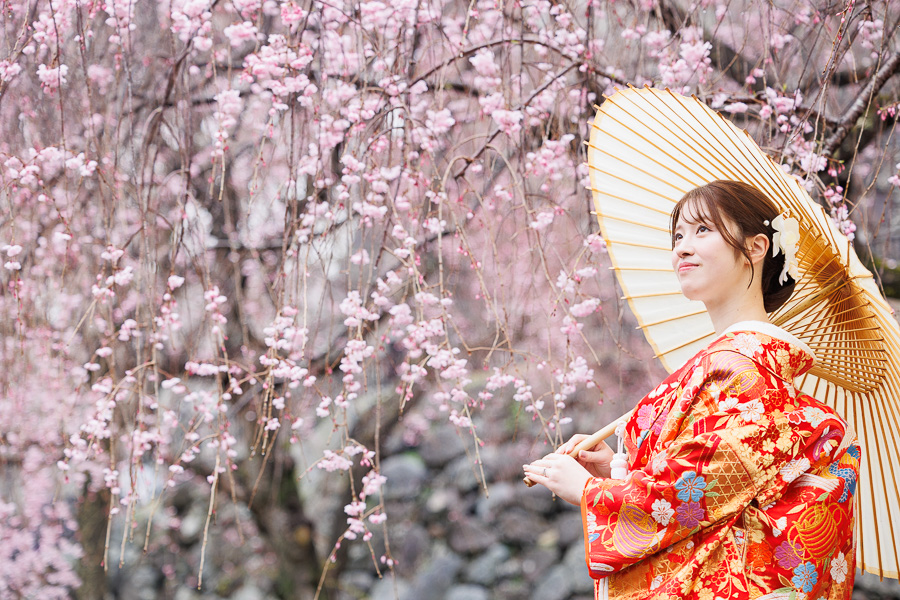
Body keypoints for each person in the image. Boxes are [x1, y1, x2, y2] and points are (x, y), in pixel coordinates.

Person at [523, 180, 860, 600]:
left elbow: (703, 485)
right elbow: (712, 479)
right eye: (678, 235)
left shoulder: (749, 368)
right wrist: (617, 473)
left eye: (703, 231)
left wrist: (593, 494)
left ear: (756, 248)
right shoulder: (732, 362)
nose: (682, 247)